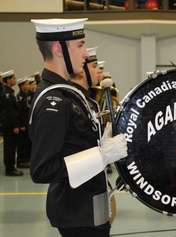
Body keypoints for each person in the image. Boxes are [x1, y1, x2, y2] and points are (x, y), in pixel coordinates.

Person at [29, 18, 127, 237]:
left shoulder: (68, 94)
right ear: (57, 48)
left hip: (89, 209)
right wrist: (101, 155)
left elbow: (76, 145)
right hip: (76, 215)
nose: (85, 54)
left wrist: (104, 143)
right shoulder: (53, 101)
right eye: (80, 45)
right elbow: (42, 169)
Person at [1, 70, 23, 176]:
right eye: (13, 78)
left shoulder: (9, 91)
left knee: (12, 147)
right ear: (8, 80)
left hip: (10, 125)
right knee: (9, 148)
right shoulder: (6, 93)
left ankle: (11, 167)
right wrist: (15, 126)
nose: (15, 80)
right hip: (9, 126)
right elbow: (10, 112)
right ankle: (9, 169)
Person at [16, 77, 33, 168]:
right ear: (22, 86)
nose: (28, 85)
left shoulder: (26, 95)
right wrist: (21, 124)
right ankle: (21, 161)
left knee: (27, 143)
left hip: (26, 123)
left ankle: (26, 159)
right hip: (22, 124)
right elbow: (19, 112)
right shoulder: (20, 96)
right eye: (26, 84)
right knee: (22, 144)